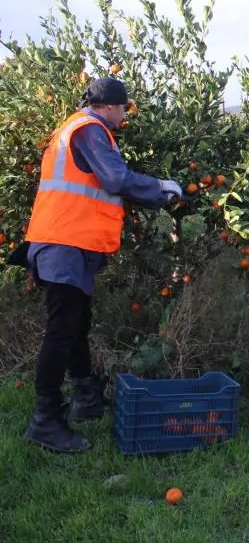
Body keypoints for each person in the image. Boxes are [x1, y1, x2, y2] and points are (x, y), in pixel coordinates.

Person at [17, 77, 183, 453]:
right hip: (64, 243)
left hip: (68, 243)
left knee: (77, 325)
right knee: (61, 330)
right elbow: (115, 179)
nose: (125, 114)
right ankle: (45, 420)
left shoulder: (77, 128)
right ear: (109, 105)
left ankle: (86, 399)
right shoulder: (90, 130)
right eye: (124, 107)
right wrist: (160, 188)